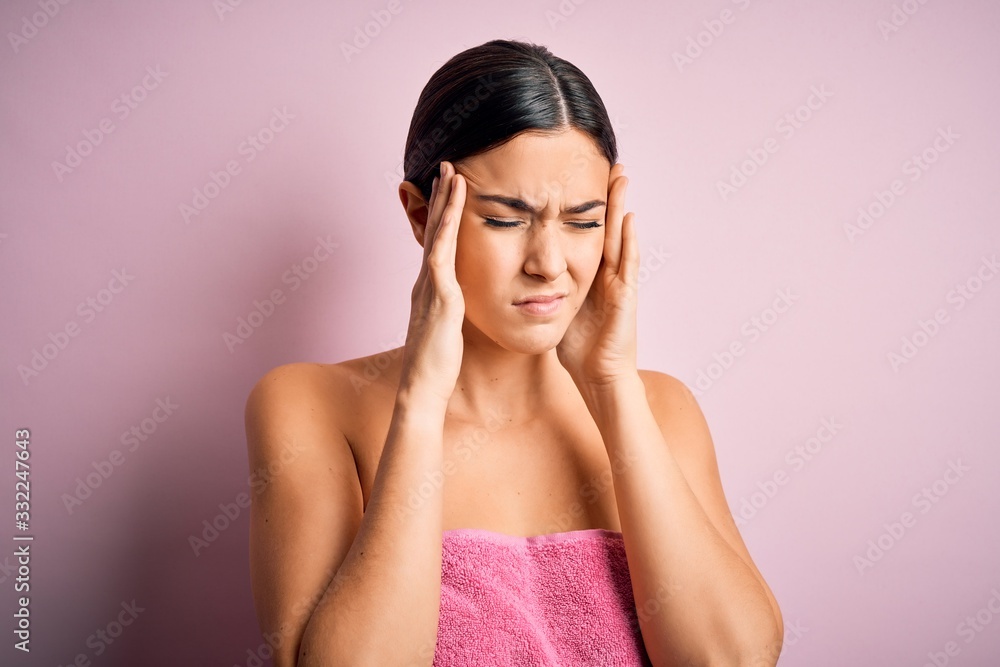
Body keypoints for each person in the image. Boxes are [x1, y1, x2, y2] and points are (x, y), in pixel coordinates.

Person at [244, 39, 783, 666]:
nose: (549, 264)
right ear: (422, 217)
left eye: (583, 221)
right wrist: (421, 401)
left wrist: (612, 389)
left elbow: (731, 662)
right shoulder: (309, 406)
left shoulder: (661, 408)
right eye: (505, 219)